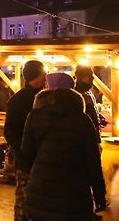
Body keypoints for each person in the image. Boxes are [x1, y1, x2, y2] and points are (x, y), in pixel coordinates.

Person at [22, 72, 107, 220]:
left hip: (40, 190)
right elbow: (93, 161)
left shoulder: (35, 116)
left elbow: (26, 154)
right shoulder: (83, 120)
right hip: (74, 193)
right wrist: (99, 194)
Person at [4, 60, 46, 221]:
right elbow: (9, 131)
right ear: (37, 76)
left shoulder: (45, 97)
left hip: (38, 159)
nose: (46, 77)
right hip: (27, 161)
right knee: (24, 200)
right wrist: (23, 149)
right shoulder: (20, 100)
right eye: (43, 73)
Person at [75, 65, 102, 143]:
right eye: (90, 75)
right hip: (85, 136)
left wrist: (98, 117)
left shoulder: (88, 91)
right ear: (82, 77)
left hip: (93, 134)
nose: (93, 78)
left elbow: (91, 110)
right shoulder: (78, 93)